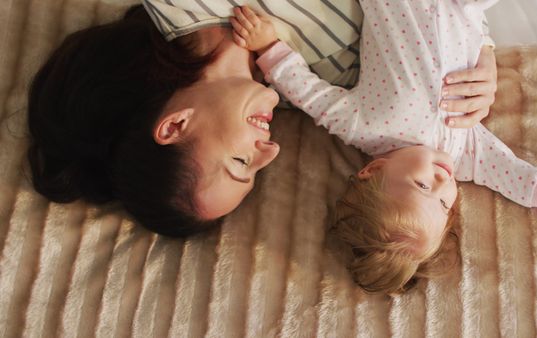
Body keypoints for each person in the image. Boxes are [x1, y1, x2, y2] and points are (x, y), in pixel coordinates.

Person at [229, 0, 537, 294]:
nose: (442, 180)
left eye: (421, 187)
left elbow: (307, 93)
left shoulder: (362, 125)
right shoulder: (463, 153)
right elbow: (519, 179)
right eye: (445, 203)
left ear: (373, 170)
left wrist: (269, 48)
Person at [26, 1, 498, 237]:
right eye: (258, 172)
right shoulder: (309, 84)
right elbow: (424, 34)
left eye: (239, 163)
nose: (269, 152)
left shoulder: (179, 5)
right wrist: (481, 53)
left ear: (175, 126)